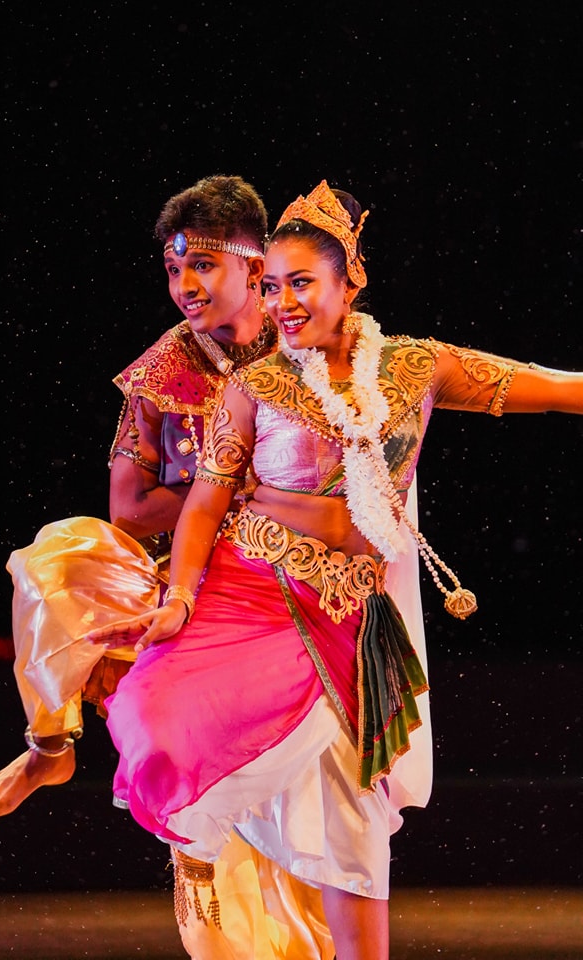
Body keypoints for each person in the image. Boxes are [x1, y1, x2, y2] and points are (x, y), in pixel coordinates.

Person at [94, 180, 583, 960]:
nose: (283, 304)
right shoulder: (256, 386)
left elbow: (556, 390)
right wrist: (180, 595)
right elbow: (204, 505)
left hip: (352, 618)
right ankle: (196, 852)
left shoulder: (417, 367)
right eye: (273, 286)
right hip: (255, 594)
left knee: (353, 815)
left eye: (301, 284)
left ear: (350, 281)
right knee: (159, 725)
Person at [0, 175, 335, 960]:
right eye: (172, 269)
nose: (185, 285)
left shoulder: (307, 345)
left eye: (202, 264)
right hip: (180, 592)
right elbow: (128, 509)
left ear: (255, 264)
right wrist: (230, 488)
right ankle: (50, 746)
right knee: (59, 555)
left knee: (290, 821)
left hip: (287, 593)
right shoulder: (163, 371)